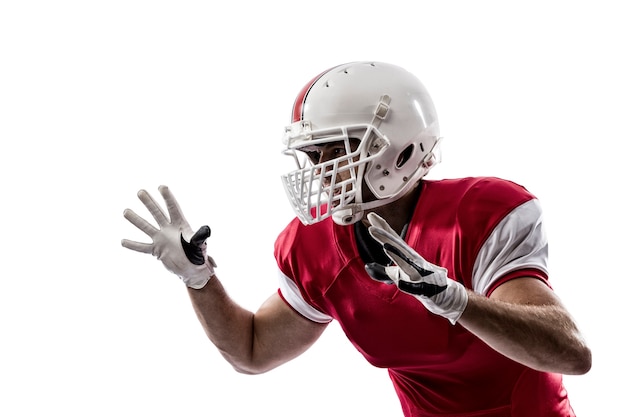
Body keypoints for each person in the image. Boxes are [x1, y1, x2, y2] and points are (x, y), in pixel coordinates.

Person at [121, 61, 592, 416]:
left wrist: (456, 301)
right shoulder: (314, 245)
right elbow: (251, 350)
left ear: (402, 145)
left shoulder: (479, 214)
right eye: (312, 155)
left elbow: (572, 353)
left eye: (335, 151)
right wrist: (199, 280)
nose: (319, 172)